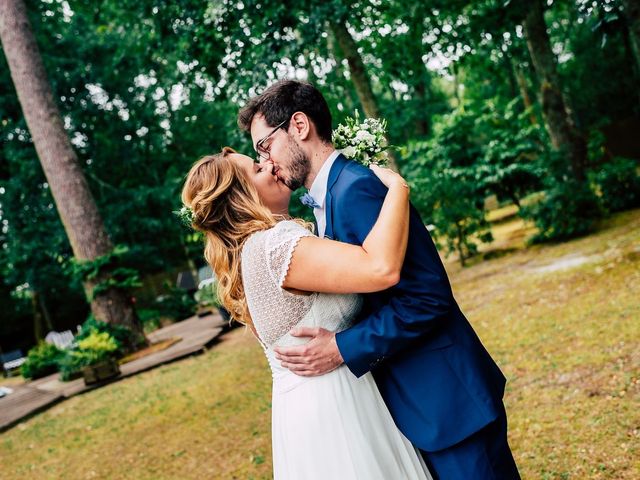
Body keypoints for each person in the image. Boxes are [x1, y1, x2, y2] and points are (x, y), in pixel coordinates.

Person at [237, 79, 521, 480]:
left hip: (447, 401)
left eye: (265, 146)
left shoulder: (355, 189)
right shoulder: (325, 198)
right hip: (415, 404)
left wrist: (342, 347)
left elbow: (426, 296)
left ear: (299, 126)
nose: (266, 161)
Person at [181, 147, 433, 479]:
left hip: (299, 411)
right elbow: (381, 268)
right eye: (258, 169)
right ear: (242, 198)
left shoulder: (245, 255)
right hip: (337, 405)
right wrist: (398, 188)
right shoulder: (276, 244)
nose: (270, 166)